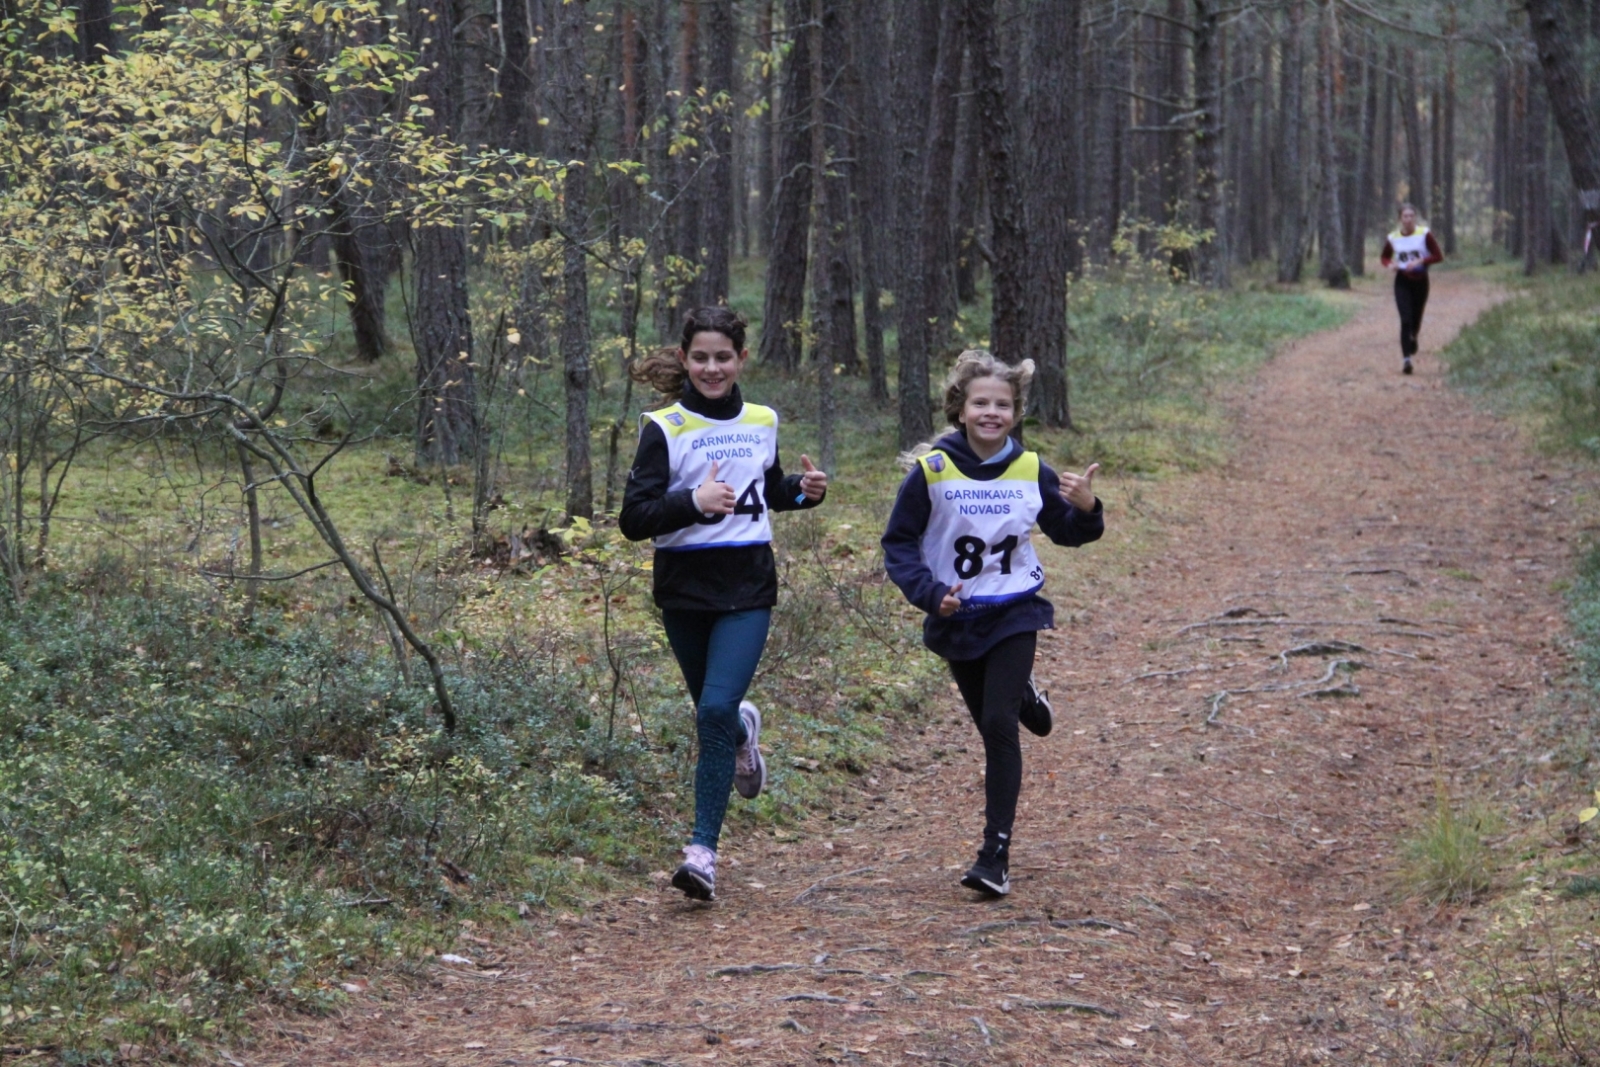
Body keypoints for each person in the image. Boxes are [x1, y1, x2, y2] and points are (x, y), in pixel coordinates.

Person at [619, 307, 828, 902]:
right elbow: (635, 519)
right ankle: (744, 731)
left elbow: (768, 493)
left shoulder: (762, 419)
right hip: (684, 589)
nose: (713, 368)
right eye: (702, 357)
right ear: (685, 359)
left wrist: (802, 493)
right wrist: (693, 500)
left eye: (724, 357)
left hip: (747, 587)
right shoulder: (663, 426)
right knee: (718, 716)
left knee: (709, 713)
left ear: (741, 359)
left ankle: (701, 853)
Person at [881, 351, 1103, 897]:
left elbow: (1070, 532)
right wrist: (930, 594)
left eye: (1002, 405)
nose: (991, 412)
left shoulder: (1032, 469)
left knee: (998, 727)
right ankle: (1025, 695)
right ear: (960, 408)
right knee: (990, 721)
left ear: (1015, 412)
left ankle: (994, 856)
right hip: (958, 616)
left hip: (1015, 609)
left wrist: (1088, 507)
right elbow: (899, 544)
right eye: (981, 402)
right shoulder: (932, 470)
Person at [1379, 203, 1443, 376]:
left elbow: (1438, 256)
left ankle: (1413, 337)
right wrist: (1390, 264)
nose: (1408, 219)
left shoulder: (1424, 234)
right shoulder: (1393, 237)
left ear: (1415, 218)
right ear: (1400, 219)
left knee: (1416, 317)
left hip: (1421, 280)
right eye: (1405, 216)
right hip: (1402, 281)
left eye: (1411, 216)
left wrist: (1420, 261)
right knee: (1405, 319)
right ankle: (1406, 359)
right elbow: (1384, 256)